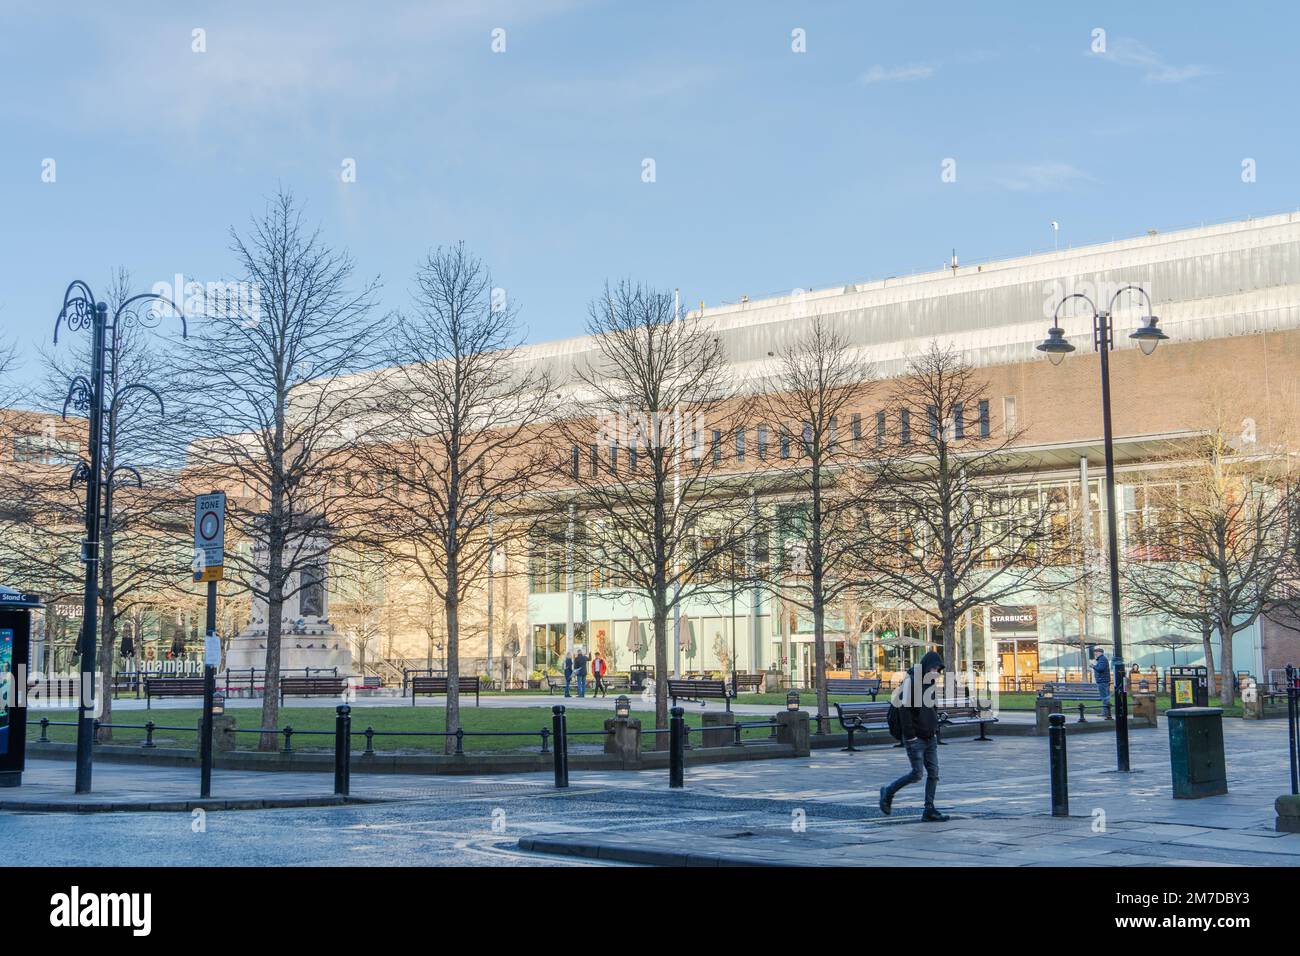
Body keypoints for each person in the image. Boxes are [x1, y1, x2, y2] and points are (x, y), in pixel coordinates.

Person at [879, 651, 949, 822]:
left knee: (933, 773)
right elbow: (904, 711)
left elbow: (932, 708)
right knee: (917, 774)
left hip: (929, 736)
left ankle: (929, 809)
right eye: (934, 668)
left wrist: (935, 728)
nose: (936, 672)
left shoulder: (929, 683)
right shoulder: (912, 681)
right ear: (926, 666)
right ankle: (888, 792)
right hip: (915, 737)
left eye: (938, 669)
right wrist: (910, 736)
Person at [1092, 647, 1112, 719]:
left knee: (1105, 697)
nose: (1095, 653)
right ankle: (1106, 712)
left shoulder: (1102, 659)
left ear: (1101, 653)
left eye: (1096, 652)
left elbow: (1100, 669)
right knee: (1105, 697)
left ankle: (1106, 712)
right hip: (1103, 680)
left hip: (1102, 681)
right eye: (1095, 652)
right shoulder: (1101, 659)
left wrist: (1093, 666)